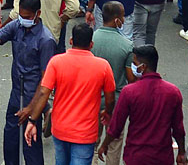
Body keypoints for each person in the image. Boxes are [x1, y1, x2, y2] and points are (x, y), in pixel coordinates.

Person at [16, 22, 116, 165]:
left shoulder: (56, 62)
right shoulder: (103, 66)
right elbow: (110, 99)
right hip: (85, 132)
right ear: (91, 44)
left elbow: (44, 93)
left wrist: (32, 121)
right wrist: (107, 112)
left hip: (60, 128)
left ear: (71, 41)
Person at [0, 0, 56, 165]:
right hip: (16, 95)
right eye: (21, 16)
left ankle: (44, 112)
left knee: (31, 148)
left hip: (34, 99)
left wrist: (31, 109)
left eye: (28, 17)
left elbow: (45, 82)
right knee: (10, 142)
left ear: (38, 14)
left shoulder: (46, 40)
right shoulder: (17, 26)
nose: (24, 20)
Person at [99, 44, 186, 165]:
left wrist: (104, 145)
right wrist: (181, 152)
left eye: (134, 63)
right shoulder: (173, 92)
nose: (133, 67)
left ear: (143, 67)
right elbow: (178, 128)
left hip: (136, 156)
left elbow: (116, 126)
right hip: (162, 157)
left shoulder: (129, 92)